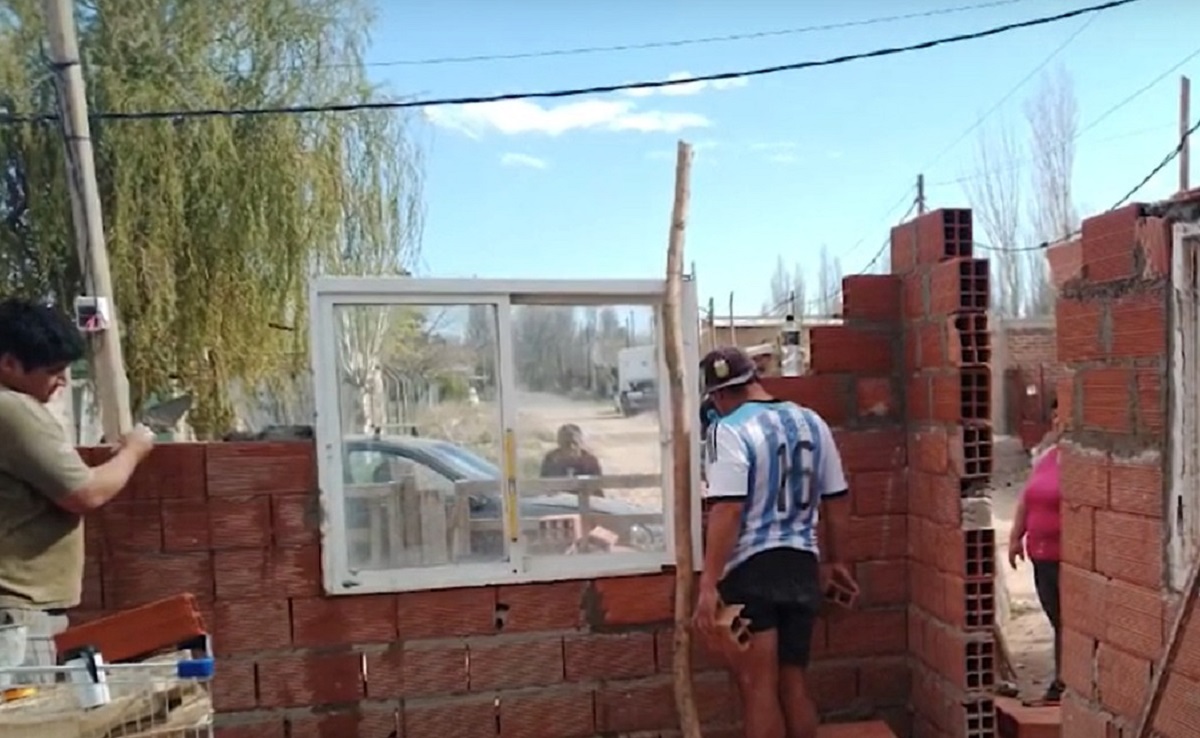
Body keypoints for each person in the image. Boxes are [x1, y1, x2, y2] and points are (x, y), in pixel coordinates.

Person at [693, 346, 853, 738]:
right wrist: (837, 562)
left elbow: (728, 511)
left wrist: (708, 583)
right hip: (802, 566)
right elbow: (836, 500)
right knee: (793, 682)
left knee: (757, 686)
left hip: (752, 569)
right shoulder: (812, 422)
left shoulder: (727, 430)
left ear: (717, 395)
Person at [0, 298, 156, 682]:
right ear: (8, 364)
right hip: (15, 609)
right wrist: (134, 451)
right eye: (54, 371)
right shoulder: (11, 410)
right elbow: (84, 493)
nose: (63, 381)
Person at [1008, 397, 1063, 704]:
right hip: (1041, 555)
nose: (1058, 421)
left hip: (1066, 556)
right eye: (1055, 415)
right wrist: (1016, 536)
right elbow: (1027, 497)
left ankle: (1063, 683)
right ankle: (1062, 680)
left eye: (1064, 414)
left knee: (1066, 622)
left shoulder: (1080, 458)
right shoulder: (1046, 453)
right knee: (1055, 618)